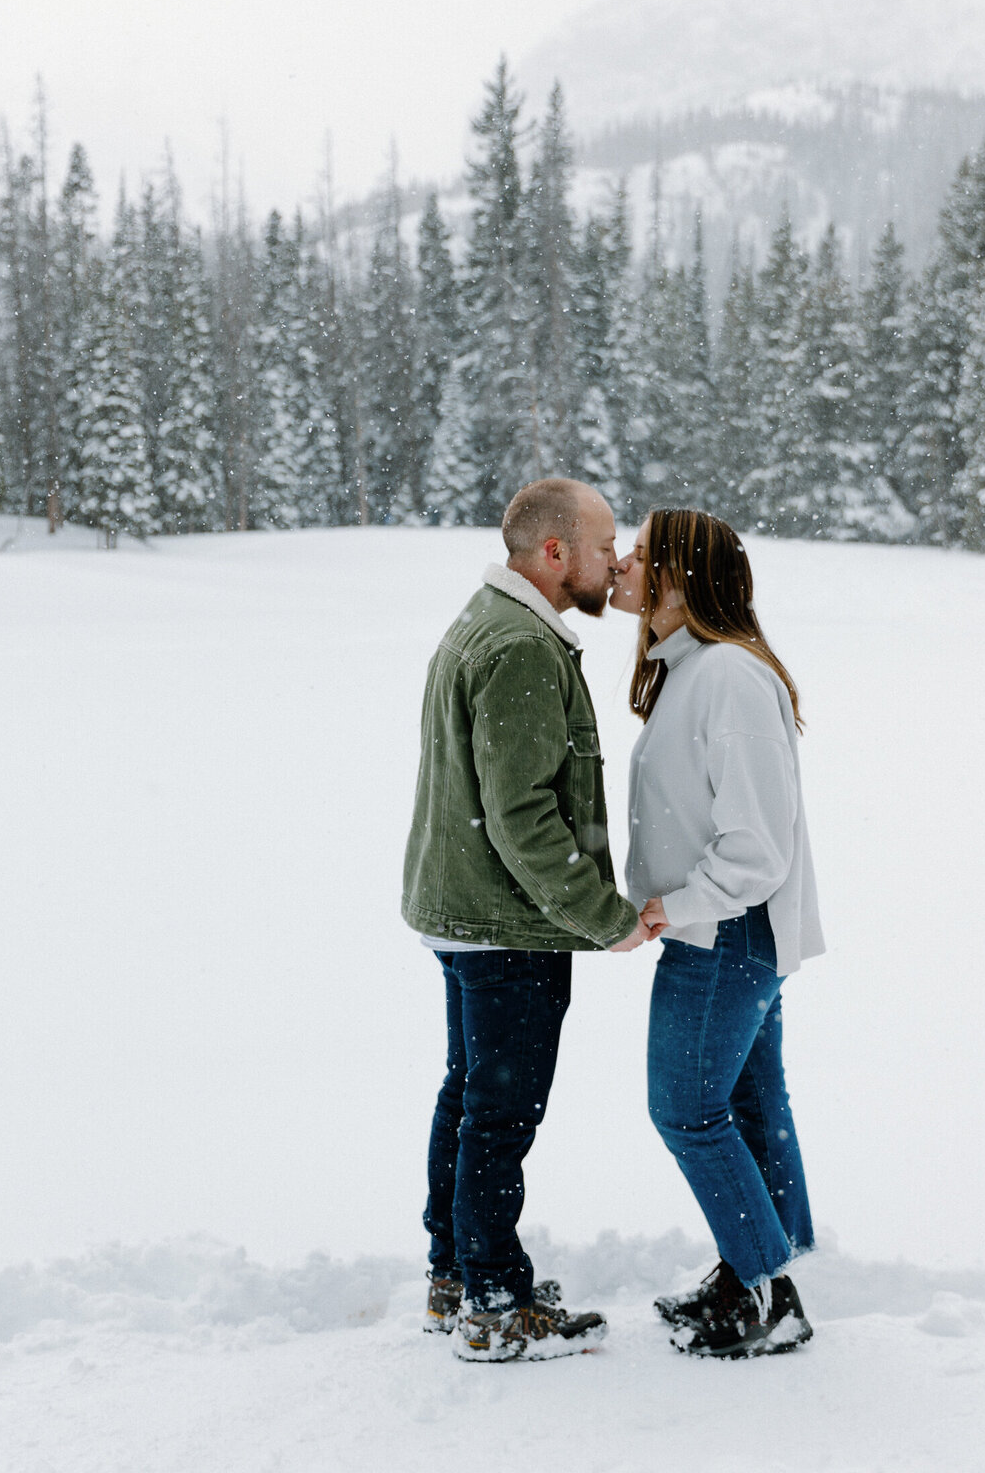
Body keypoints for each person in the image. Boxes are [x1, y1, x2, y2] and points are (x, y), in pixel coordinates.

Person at [402, 477, 654, 1362]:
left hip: (469, 912)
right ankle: (496, 1307)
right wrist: (604, 918)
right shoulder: (519, 647)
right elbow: (523, 819)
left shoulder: (496, 620)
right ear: (556, 555)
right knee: (499, 1117)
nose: (616, 561)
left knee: (470, 1099)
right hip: (505, 925)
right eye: (603, 545)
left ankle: (457, 1276)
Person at [609, 507, 826, 1359]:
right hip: (723, 928)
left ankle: (769, 1293)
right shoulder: (696, 669)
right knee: (746, 1102)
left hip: (724, 933)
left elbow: (756, 846)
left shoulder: (726, 676)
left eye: (638, 555)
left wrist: (675, 905)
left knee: (686, 1109)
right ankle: (756, 1271)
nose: (623, 566)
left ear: (676, 576)